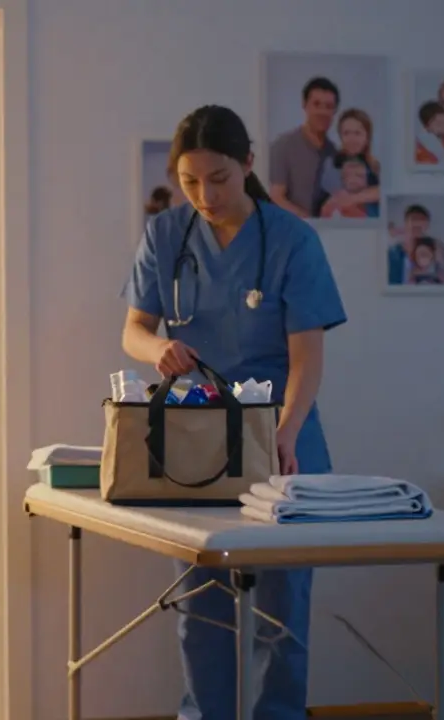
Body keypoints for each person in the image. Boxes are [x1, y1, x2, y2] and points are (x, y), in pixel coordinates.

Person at [122, 105, 346, 720]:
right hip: (197, 434)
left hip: (284, 432)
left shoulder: (293, 240)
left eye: (218, 178)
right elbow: (134, 331)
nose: (204, 194)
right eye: (190, 181)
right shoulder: (167, 234)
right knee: (202, 603)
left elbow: (307, 358)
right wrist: (158, 348)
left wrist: (286, 431)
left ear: (248, 164)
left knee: (283, 607)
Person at [269, 76, 340, 218]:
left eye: (329, 106)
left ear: (335, 111)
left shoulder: (335, 152)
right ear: (304, 105)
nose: (322, 112)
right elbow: (276, 198)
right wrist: (308, 222)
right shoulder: (283, 145)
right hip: (292, 231)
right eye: (317, 104)